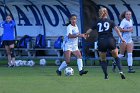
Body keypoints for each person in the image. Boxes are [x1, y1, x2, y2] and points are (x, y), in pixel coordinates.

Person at [87, 8, 126, 79]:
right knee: (116, 57)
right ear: (107, 13)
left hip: (101, 41)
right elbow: (117, 30)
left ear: (100, 13)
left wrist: (85, 34)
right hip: (110, 40)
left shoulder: (97, 22)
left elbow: (89, 30)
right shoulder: (110, 21)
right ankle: (121, 71)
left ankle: (106, 75)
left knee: (103, 59)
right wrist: (122, 38)